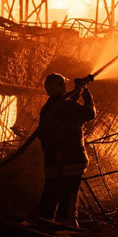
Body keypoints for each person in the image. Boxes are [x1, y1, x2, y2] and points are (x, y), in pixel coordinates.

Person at [36, 73, 95, 226]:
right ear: (61, 86)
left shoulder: (48, 108)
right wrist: (86, 94)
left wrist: (77, 92)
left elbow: (67, 110)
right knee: (67, 200)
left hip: (53, 164)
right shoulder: (65, 107)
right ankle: (67, 228)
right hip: (71, 162)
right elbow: (89, 113)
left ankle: (43, 226)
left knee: (49, 198)